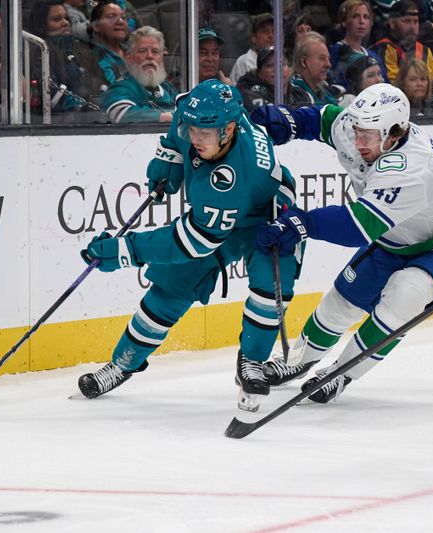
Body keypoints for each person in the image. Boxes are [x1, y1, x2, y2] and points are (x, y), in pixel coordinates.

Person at [251, 83, 433, 403]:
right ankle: (299, 361)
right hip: (398, 237)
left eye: (367, 136)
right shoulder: (363, 128)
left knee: (407, 292)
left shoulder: (411, 166)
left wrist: (305, 223)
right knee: (342, 300)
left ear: (395, 134)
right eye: (357, 131)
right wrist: (289, 120)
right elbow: (323, 120)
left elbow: (361, 225)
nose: (357, 141)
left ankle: (341, 372)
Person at [78, 80, 299, 413]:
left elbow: (190, 243)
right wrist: (168, 160)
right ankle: (123, 363)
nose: (195, 138)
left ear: (228, 130)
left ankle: (252, 362)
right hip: (224, 213)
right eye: (192, 130)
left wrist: (123, 251)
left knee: (268, 288)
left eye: (205, 133)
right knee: (172, 286)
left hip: (269, 216)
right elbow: (180, 119)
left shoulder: (231, 178)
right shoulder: (195, 113)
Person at [27, 0, 106, 121]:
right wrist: (85, 106)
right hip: (57, 122)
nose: (65, 23)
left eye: (66, 18)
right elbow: (51, 94)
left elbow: (99, 81)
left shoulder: (79, 48)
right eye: (57, 19)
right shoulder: (38, 52)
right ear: (41, 24)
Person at [101, 26, 177, 123]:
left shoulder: (168, 88)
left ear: (161, 57)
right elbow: (121, 114)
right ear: (128, 57)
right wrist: (165, 117)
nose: (150, 56)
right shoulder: (121, 88)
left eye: (155, 51)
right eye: (142, 51)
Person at [371, 0, 433, 96]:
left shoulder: (425, 51)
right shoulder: (384, 48)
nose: (412, 27)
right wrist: (429, 85)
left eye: (416, 22)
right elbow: (393, 86)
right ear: (392, 23)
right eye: (407, 21)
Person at [329, 0, 387, 89]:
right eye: (355, 16)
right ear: (344, 21)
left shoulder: (374, 56)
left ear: (371, 23)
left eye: (366, 17)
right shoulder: (335, 52)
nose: (362, 21)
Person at [288, 31, 339, 106]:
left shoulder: (321, 90)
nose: (328, 64)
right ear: (304, 62)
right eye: (322, 58)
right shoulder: (294, 92)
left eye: (328, 59)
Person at [236, 45, 292, 112]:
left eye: (282, 64)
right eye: (270, 65)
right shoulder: (249, 94)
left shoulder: (299, 92)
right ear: (259, 72)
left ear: (290, 69)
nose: (277, 69)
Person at [88, 0, 129, 85]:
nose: (121, 21)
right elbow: (116, 92)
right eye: (111, 17)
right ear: (96, 26)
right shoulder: (96, 60)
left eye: (123, 17)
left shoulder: (132, 51)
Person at [229, 12, 274, 83]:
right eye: (265, 31)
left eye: (274, 31)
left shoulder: (282, 62)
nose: (271, 36)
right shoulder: (245, 62)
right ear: (254, 37)